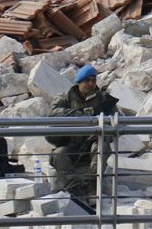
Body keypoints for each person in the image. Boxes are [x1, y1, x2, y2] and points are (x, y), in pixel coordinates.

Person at [49, 66, 118, 198]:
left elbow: (117, 119)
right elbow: (52, 114)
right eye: (87, 80)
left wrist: (102, 132)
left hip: (91, 145)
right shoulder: (65, 98)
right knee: (59, 154)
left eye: (93, 80)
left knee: (102, 147)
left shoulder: (104, 99)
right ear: (79, 82)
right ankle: (74, 189)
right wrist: (76, 114)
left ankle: (92, 185)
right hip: (71, 144)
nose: (91, 84)